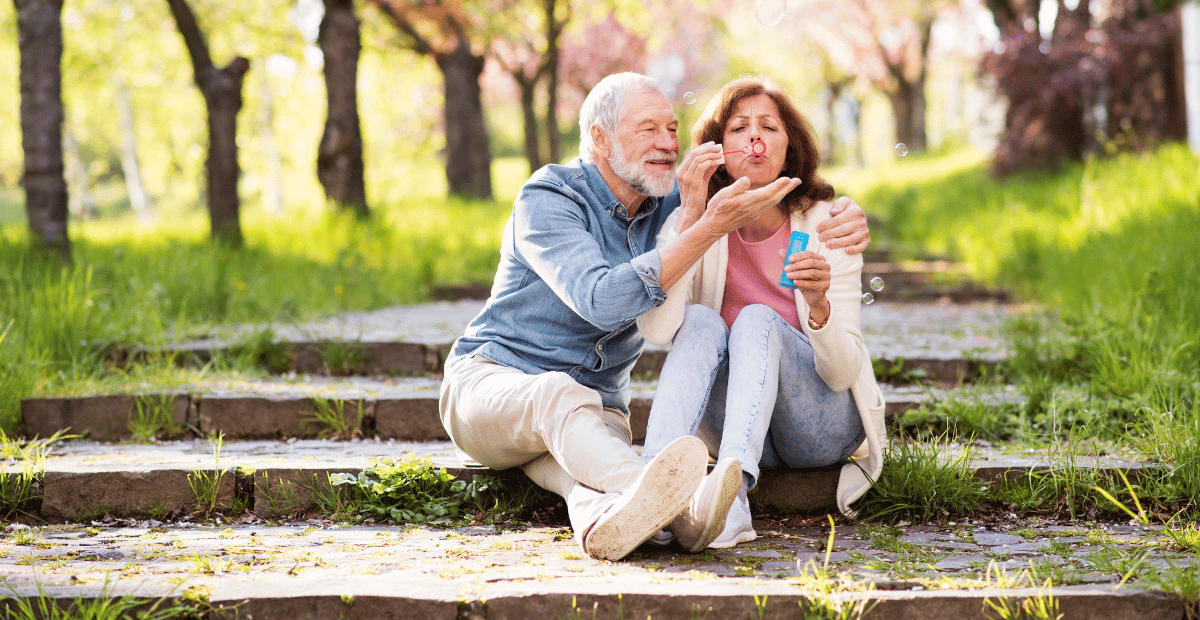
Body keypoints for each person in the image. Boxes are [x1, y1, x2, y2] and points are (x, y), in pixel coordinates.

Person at [439, 73, 872, 561]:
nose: (668, 143)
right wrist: (700, 224)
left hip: (598, 412)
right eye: (649, 129)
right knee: (556, 397)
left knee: (579, 484)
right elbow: (601, 300)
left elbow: (738, 192)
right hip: (491, 385)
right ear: (599, 138)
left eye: (672, 128)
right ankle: (681, 502)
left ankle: (611, 522)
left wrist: (848, 212)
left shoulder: (674, 202)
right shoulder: (550, 197)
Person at [637, 77, 887, 549]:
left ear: (789, 146)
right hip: (735, 420)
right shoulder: (691, 222)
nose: (755, 138)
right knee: (700, 320)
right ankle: (652, 490)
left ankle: (731, 502)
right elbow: (657, 328)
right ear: (716, 149)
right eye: (738, 128)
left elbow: (842, 373)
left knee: (755, 319)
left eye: (769, 126)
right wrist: (692, 220)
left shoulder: (828, 225)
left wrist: (819, 307)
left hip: (816, 425)